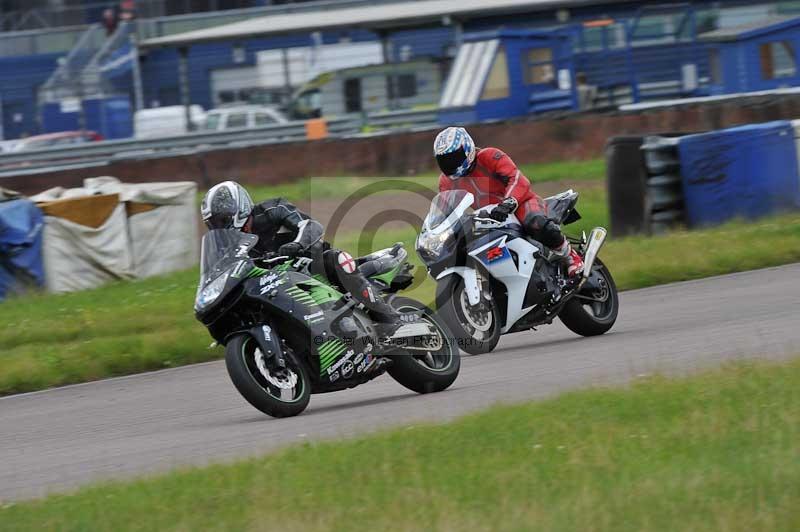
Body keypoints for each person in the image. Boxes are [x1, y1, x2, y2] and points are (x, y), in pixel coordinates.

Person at [200, 181, 415, 338]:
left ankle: (390, 318)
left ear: (240, 209)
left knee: (337, 259)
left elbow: (311, 226)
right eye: (214, 222)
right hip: (275, 282)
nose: (219, 226)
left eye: (223, 219)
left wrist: (297, 245)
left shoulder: (273, 209)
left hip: (311, 264)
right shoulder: (226, 245)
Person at [433, 127, 584, 276]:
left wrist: (509, 202)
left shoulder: (489, 156)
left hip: (521, 203)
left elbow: (517, 178)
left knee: (535, 221)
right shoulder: (446, 182)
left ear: (467, 149)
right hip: (489, 218)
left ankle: (570, 256)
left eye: (453, 157)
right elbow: (446, 210)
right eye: (444, 160)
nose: (450, 164)